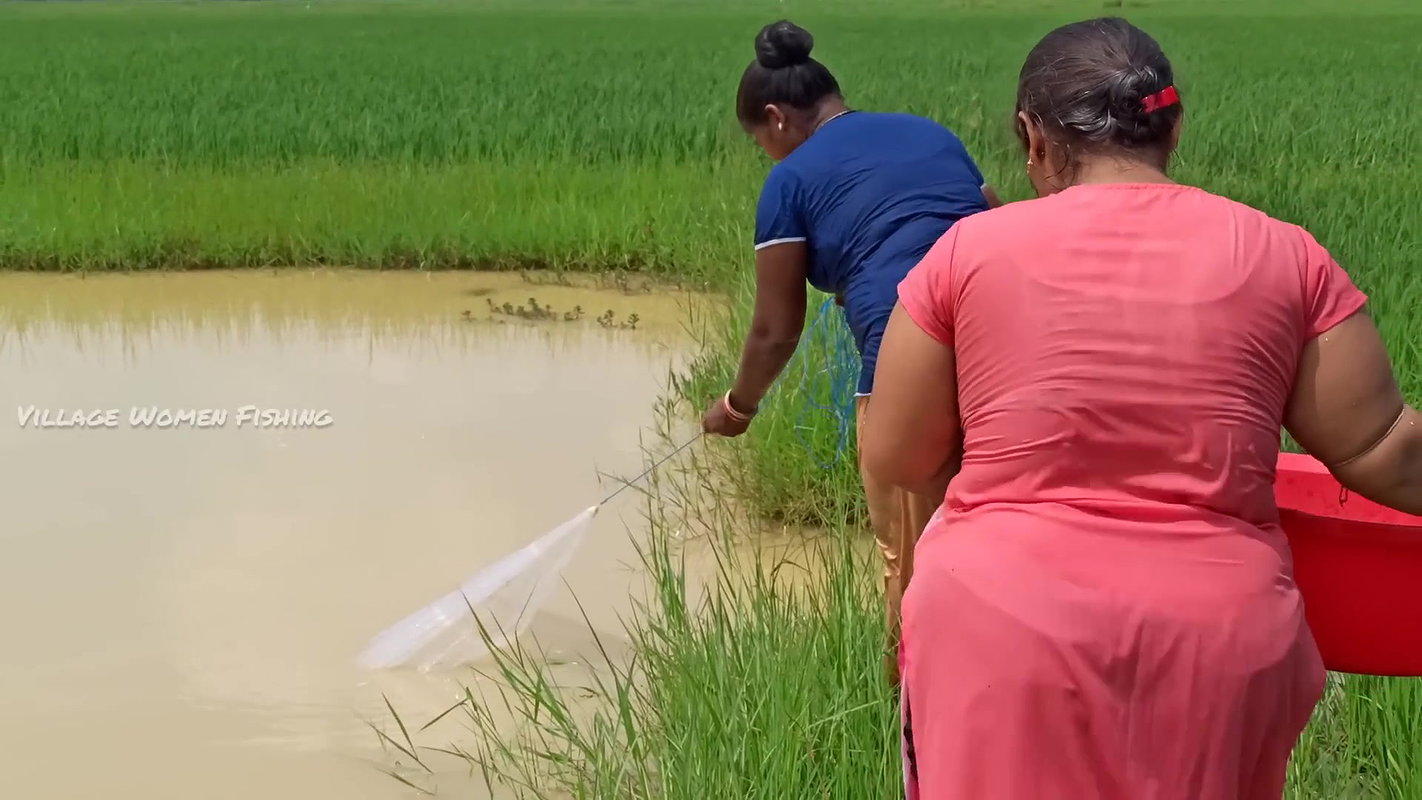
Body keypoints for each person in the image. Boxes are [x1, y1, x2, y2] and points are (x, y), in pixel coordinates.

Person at [861, 16, 1422, 800]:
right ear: (1173, 126)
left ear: (1033, 139)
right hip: (1216, 646)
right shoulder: (1285, 253)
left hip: (998, 632)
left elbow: (899, 457)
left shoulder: (965, 253)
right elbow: (1388, 450)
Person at [699, 19, 1001, 685]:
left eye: (761, 143)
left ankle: (912, 727)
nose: (767, 157)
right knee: (1001, 549)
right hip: (1008, 358)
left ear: (776, 119)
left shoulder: (790, 180)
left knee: (913, 562)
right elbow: (998, 228)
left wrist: (736, 408)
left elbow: (776, 329)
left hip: (909, 366)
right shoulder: (931, 134)